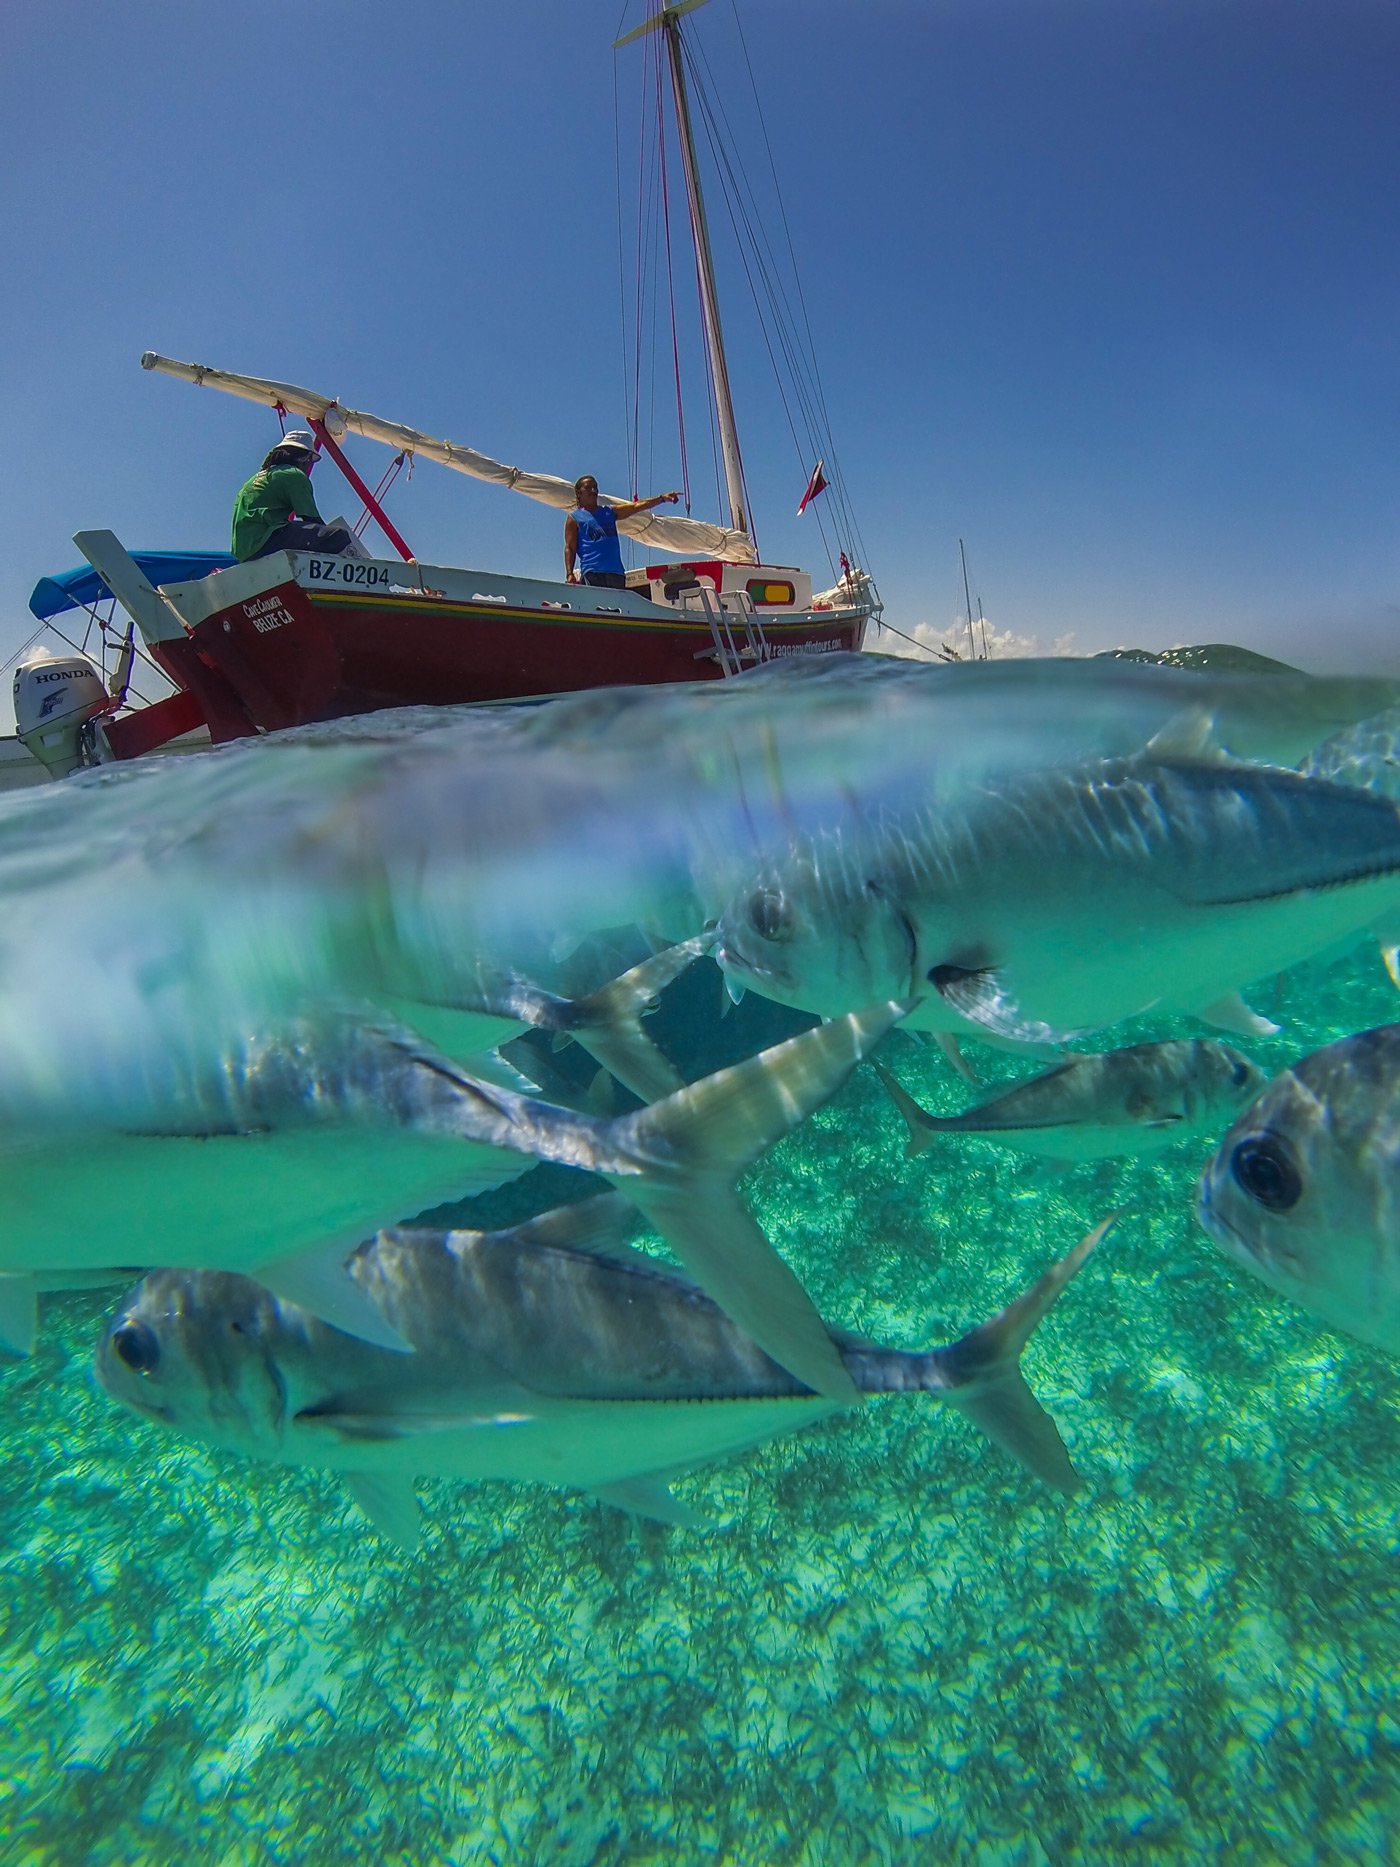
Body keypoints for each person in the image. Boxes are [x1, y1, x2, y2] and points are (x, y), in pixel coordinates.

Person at [231, 431, 359, 561]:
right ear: (304, 458)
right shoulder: (293, 475)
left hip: (245, 551)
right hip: (266, 540)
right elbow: (310, 518)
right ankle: (357, 570)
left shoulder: (254, 480)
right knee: (337, 535)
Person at [564, 476, 680, 589]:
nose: (593, 491)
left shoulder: (609, 512)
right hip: (593, 573)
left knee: (617, 608)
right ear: (579, 493)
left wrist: (662, 498)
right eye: (588, 488)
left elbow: (636, 506)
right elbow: (570, 548)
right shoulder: (574, 518)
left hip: (616, 574)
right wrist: (570, 574)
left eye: (595, 487)